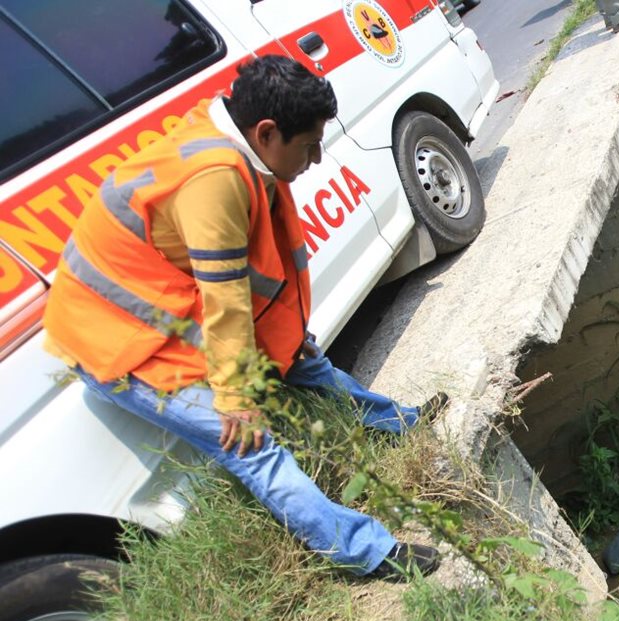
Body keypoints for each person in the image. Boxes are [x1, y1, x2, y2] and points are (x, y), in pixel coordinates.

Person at [42, 56, 441, 581]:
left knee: (307, 365)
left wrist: (285, 338)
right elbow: (225, 295)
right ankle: (363, 552)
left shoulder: (240, 149)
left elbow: (247, 274)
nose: (317, 158)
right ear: (267, 132)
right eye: (308, 146)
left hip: (171, 315)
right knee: (253, 447)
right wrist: (235, 401)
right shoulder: (213, 179)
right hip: (123, 345)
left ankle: (399, 424)